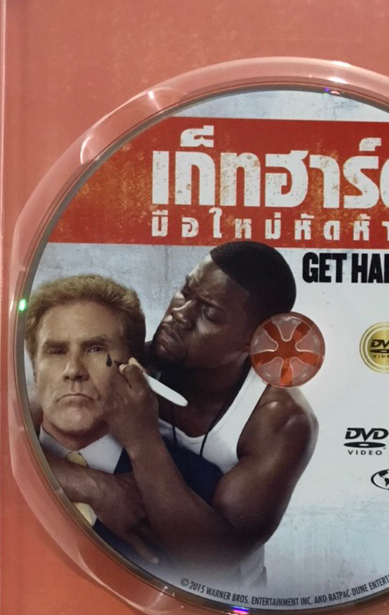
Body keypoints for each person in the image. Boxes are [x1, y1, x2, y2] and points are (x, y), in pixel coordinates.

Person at [102, 241, 318, 583]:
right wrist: (94, 487)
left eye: (210, 314)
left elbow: (214, 560)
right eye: (185, 292)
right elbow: (23, 430)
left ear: (255, 340)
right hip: (135, 579)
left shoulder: (280, 419)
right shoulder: (135, 361)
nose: (180, 314)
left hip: (224, 600)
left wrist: (142, 439)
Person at [25, 274, 219, 567]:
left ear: (134, 369)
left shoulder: (200, 482)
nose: (73, 370)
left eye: (95, 349)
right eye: (56, 351)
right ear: (34, 371)